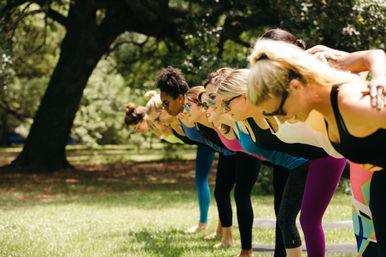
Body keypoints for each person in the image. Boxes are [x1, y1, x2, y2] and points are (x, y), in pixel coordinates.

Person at [247, 39, 386, 256]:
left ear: (294, 88)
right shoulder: (322, 97)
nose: (281, 121)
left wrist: (381, 77)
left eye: (279, 111)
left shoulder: (353, 106)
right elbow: (370, 55)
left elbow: (376, 55)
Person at [184, 86, 261, 257]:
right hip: (234, 152)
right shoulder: (206, 124)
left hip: (250, 152)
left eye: (188, 106)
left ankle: (246, 250)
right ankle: (230, 240)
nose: (184, 111)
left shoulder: (223, 117)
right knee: (222, 192)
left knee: (241, 194)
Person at [125, 90, 215, 234]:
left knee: (206, 181)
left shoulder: (161, 121)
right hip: (203, 143)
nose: (138, 131)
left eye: (136, 127)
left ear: (144, 119)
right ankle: (208, 225)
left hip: (208, 140)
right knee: (202, 180)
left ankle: (206, 224)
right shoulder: (158, 127)